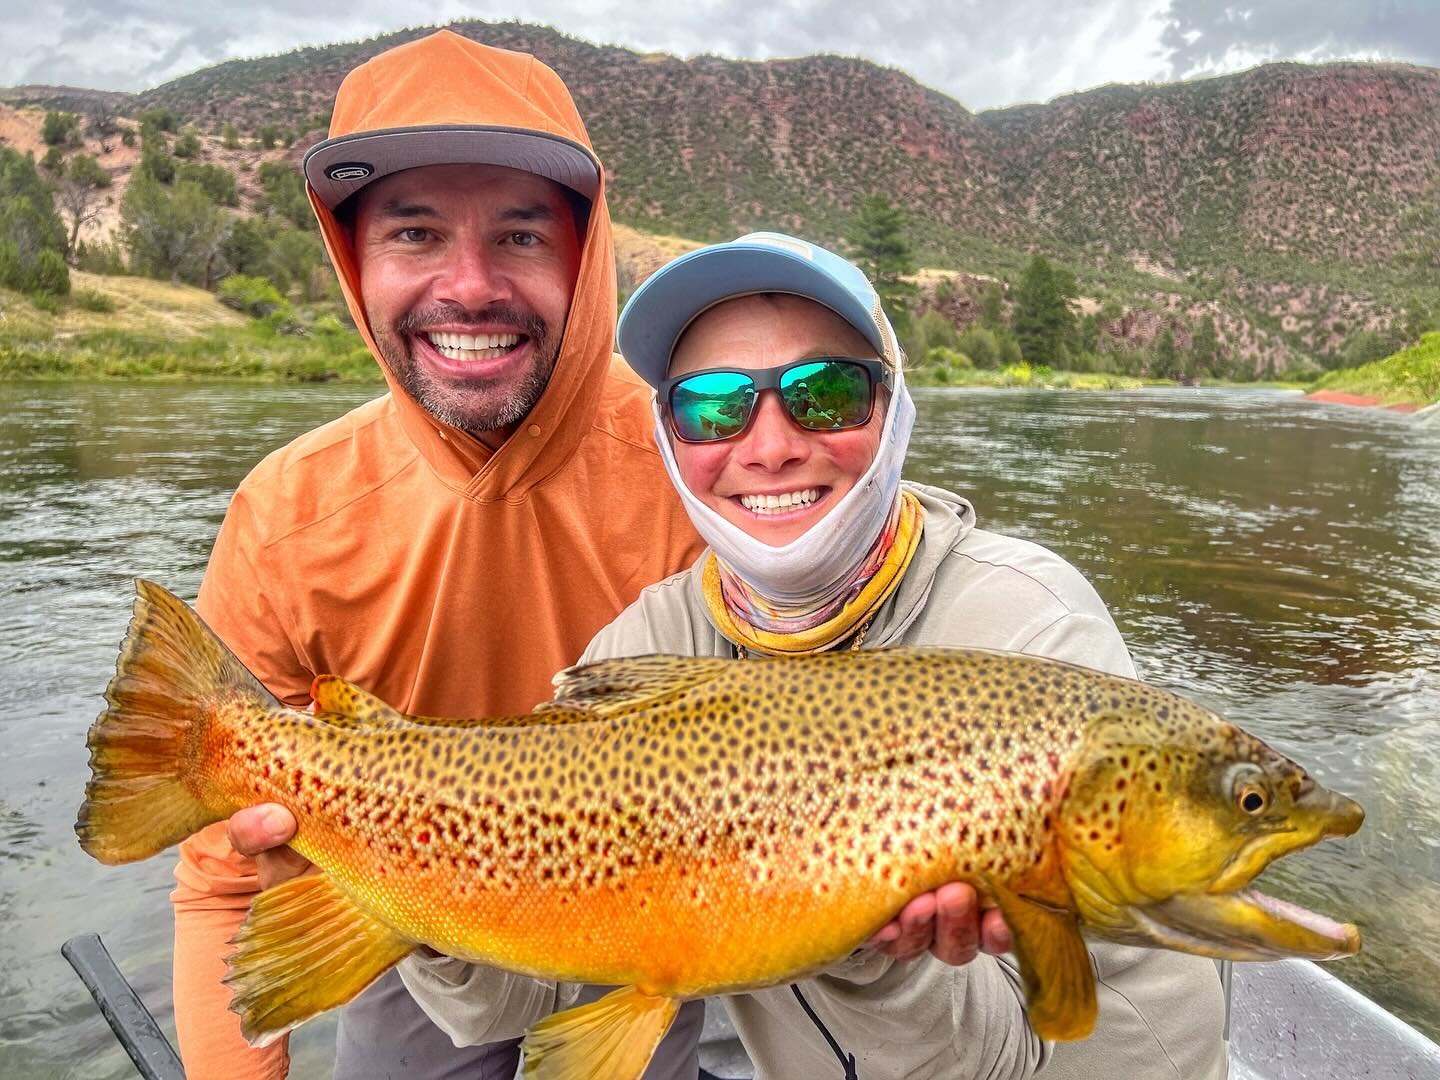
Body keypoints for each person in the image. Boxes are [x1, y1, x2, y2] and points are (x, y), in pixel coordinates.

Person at [398, 233, 1229, 1078]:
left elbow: (1136, 1057)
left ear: (894, 409)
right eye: (713, 406)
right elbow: (503, 1004)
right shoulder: (649, 645)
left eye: (824, 393)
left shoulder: (1027, 632)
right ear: (670, 440)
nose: (769, 446)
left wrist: (865, 955)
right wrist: (379, 855)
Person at [172, 30, 709, 1080]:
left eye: (519, 237)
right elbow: (225, 871)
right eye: (415, 234)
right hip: (403, 931)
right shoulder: (287, 517)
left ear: (584, 254)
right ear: (353, 262)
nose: (468, 287)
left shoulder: (708, 469)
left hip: (668, 917)